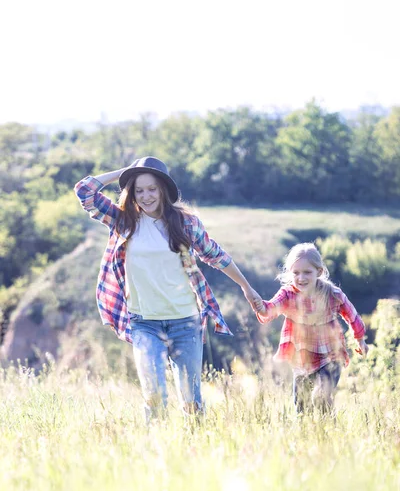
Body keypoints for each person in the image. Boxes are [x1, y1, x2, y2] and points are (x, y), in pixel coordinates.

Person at [74, 156, 262, 422]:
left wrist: (246, 287)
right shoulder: (123, 220)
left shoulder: (185, 223)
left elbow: (216, 255)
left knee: (191, 401)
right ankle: (155, 452)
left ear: (163, 189)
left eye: (152, 188)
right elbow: (85, 191)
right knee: (154, 396)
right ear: (131, 193)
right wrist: (126, 172)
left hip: (185, 323)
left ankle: (193, 451)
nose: (146, 196)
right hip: (144, 323)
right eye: (139, 190)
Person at [253, 243, 368, 414]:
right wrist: (258, 304)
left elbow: (353, 316)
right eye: (296, 273)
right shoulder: (287, 294)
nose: (301, 278)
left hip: (331, 356)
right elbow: (269, 309)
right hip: (301, 360)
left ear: (319, 272)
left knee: (321, 397)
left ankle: (328, 432)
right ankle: (309, 436)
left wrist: (360, 340)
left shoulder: (332, 294)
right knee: (302, 408)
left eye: (307, 272)